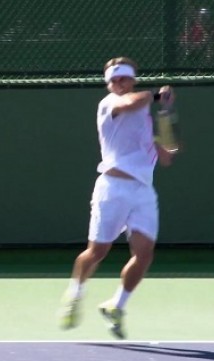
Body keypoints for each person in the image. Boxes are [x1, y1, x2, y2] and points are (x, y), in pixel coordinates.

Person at [57, 57, 176, 339]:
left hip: (143, 191)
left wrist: (164, 140)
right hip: (112, 188)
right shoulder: (109, 104)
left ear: (132, 79)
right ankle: (75, 292)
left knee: (144, 255)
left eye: (124, 79)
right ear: (109, 83)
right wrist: (155, 95)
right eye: (114, 80)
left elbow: (166, 157)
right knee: (97, 251)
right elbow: (131, 103)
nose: (118, 84)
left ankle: (116, 305)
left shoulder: (145, 118)